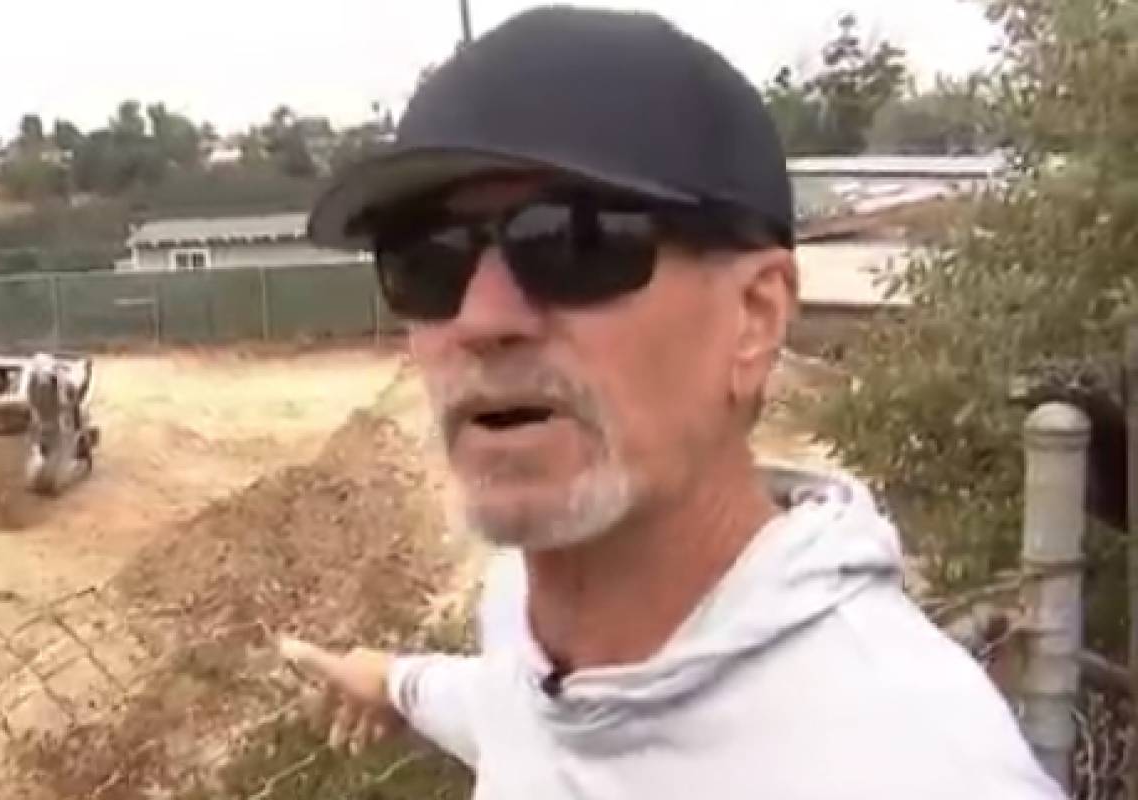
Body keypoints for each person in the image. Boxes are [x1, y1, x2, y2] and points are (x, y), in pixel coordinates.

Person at [280, 7, 1066, 799]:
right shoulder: (530, 617)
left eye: (575, 241)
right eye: (427, 258)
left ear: (754, 319)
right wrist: (391, 682)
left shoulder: (918, 768)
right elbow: (521, 709)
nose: (482, 320)